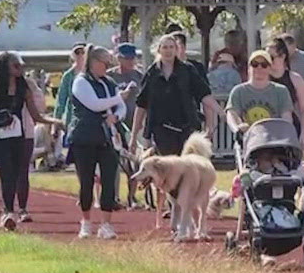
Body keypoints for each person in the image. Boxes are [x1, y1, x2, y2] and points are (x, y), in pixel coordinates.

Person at [0, 51, 52, 230]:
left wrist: (54, 121)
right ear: (5, 67)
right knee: (6, 173)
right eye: (16, 66)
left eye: (21, 66)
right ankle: (8, 211)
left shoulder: (23, 87)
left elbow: (35, 115)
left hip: (18, 135)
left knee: (18, 172)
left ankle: (19, 208)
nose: (20, 69)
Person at [67, 45, 127, 239]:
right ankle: (85, 222)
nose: (106, 67)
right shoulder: (80, 82)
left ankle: (106, 224)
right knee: (86, 181)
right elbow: (94, 104)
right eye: (104, 63)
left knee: (109, 180)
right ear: (93, 62)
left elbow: (121, 107)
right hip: (85, 136)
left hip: (106, 138)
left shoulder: (108, 82)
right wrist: (118, 97)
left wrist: (116, 117)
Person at [131, 33, 217, 157]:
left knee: (188, 168)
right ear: (159, 50)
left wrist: (211, 124)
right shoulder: (152, 73)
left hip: (187, 127)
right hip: (161, 130)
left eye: (171, 47)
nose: (168, 51)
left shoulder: (188, 70)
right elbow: (141, 104)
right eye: (165, 47)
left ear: (176, 49)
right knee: (168, 168)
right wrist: (134, 136)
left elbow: (205, 95)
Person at [227, 51, 294, 134]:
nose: (259, 68)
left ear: (270, 69)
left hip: (273, 139)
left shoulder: (281, 91)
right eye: (255, 64)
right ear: (249, 68)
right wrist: (237, 129)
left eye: (264, 65)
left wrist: (284, 130)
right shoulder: (238, 91)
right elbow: (232, 114)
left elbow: (286, 117)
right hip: (247, 139)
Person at [267, 37, 304, 145]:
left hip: (289, 127)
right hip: (267, 128)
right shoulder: (263, 77)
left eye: (271, 57)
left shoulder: (295, 79)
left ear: (282, 56)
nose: (268, 62)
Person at [53, 44, 87, 170]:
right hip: (72, 119)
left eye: (83, 52)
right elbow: (61, 100)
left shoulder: (91, 74)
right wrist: (56, 122)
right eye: (77, 53)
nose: (80, 56)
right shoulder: (68, 76)